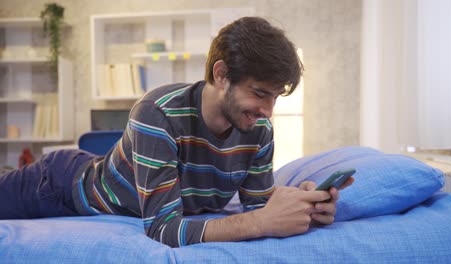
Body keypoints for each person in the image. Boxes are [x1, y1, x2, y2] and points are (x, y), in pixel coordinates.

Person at [0, 17, 353, 247]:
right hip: (60, 186)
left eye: (275, 98)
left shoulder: (257, 128)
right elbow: (164, 230)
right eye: (260, 93)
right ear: (220, 74)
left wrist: (302, 202)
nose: (267, 111)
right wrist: (262, 221)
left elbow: (257, 204)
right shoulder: (158, 113)